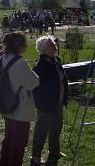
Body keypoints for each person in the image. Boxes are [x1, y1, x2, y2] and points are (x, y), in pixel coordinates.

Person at [0, 32, 39, 166]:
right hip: (20, 108)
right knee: (18, 144)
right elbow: (34, 82)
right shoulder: (20, 62)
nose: (26, 47)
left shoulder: (4, 58)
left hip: (7, 104)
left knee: (8, 141)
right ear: (19, 46)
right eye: (24, 44)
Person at [31, 36, 68, 165]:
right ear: (44, 49)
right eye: (51, 44)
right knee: (41, 130)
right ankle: (36, 156)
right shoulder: (40, 64)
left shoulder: (56, 60)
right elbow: (34, 84)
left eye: (53, 43)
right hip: (46, 104)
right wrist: (42, 100)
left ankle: (54, 150)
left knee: (56, 127)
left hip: (58, 101)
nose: (54, 45)